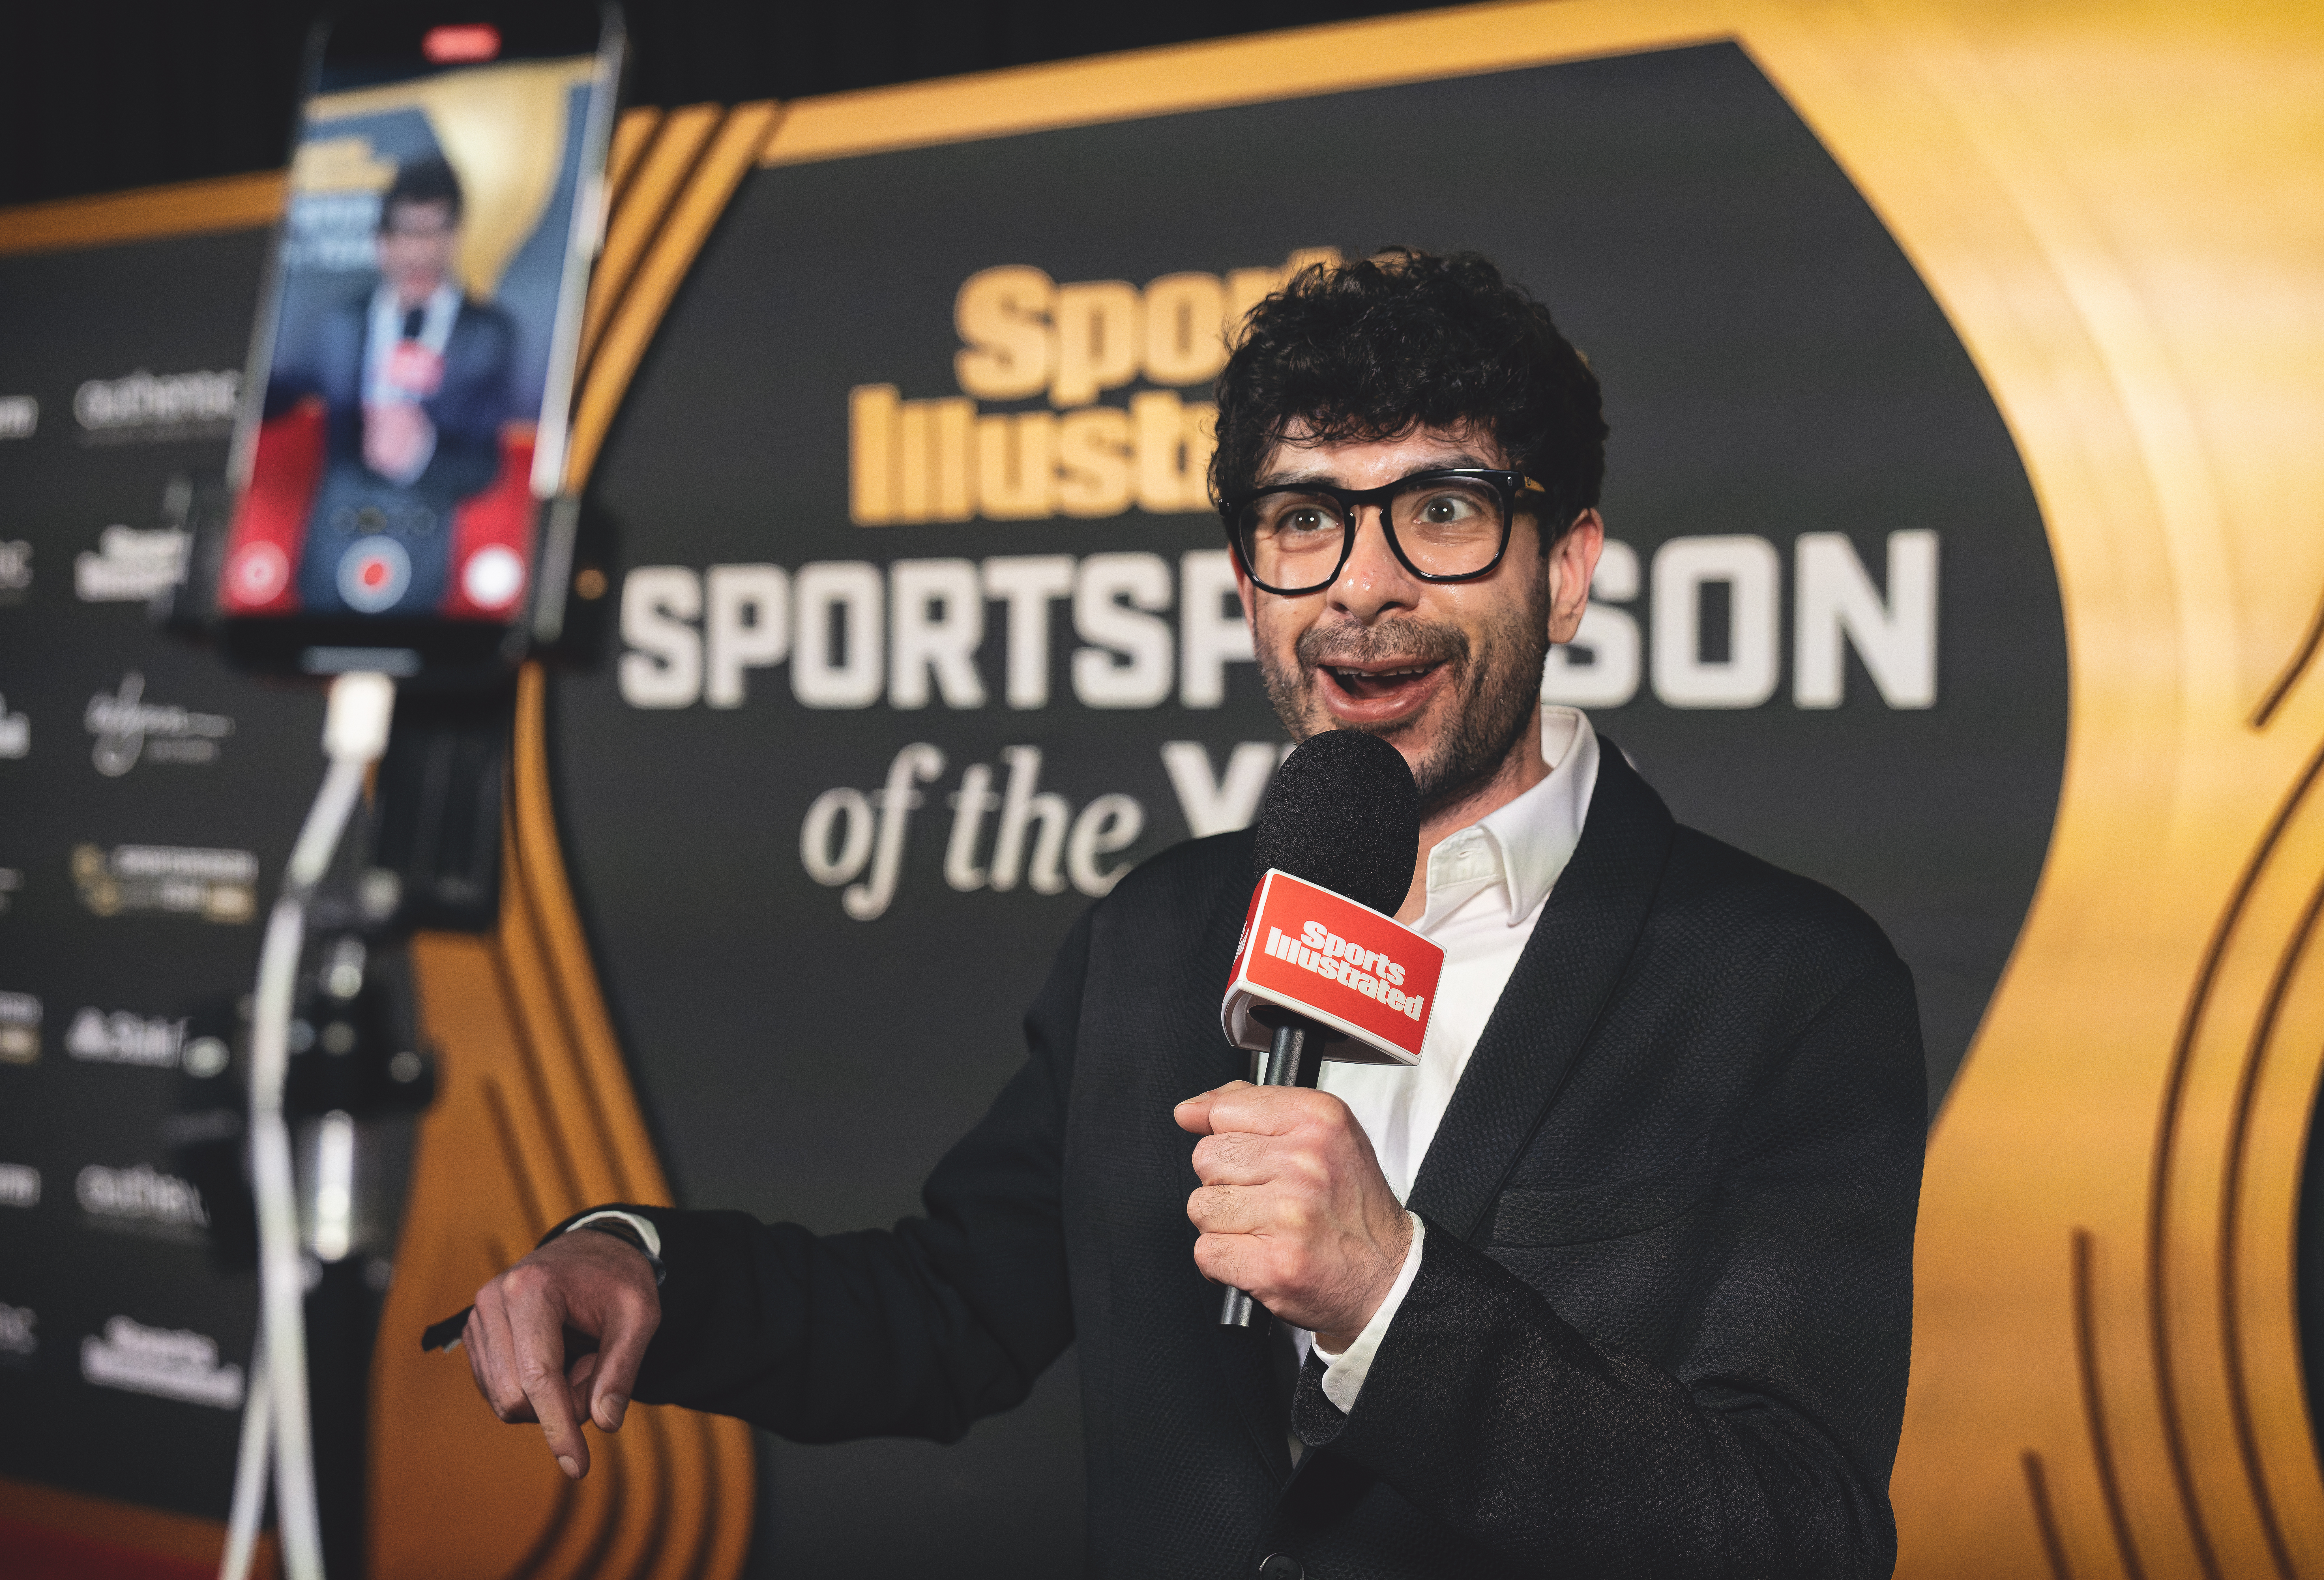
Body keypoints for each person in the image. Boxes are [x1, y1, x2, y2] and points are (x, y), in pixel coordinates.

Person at [453, 251, 1926, 1578]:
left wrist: (1387, 1298)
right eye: (1304, 521)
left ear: (1569, 569)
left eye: (1441, 511)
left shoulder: (1787, 981)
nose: (1364, 587)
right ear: (1244, 582)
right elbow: (949, 1308)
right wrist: (644, 1267)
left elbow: (1799, 1526)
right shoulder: (1157, 932)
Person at [263, 154, 515, 613]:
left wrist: (421, 454)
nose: (420, 251)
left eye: (434, 232)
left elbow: (487, 467)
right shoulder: (340, 323)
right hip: (329, 556)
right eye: (406, 233)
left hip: (421, 559)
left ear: (456, 238)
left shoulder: (487, 334)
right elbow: (278, 399)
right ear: (381, 243)